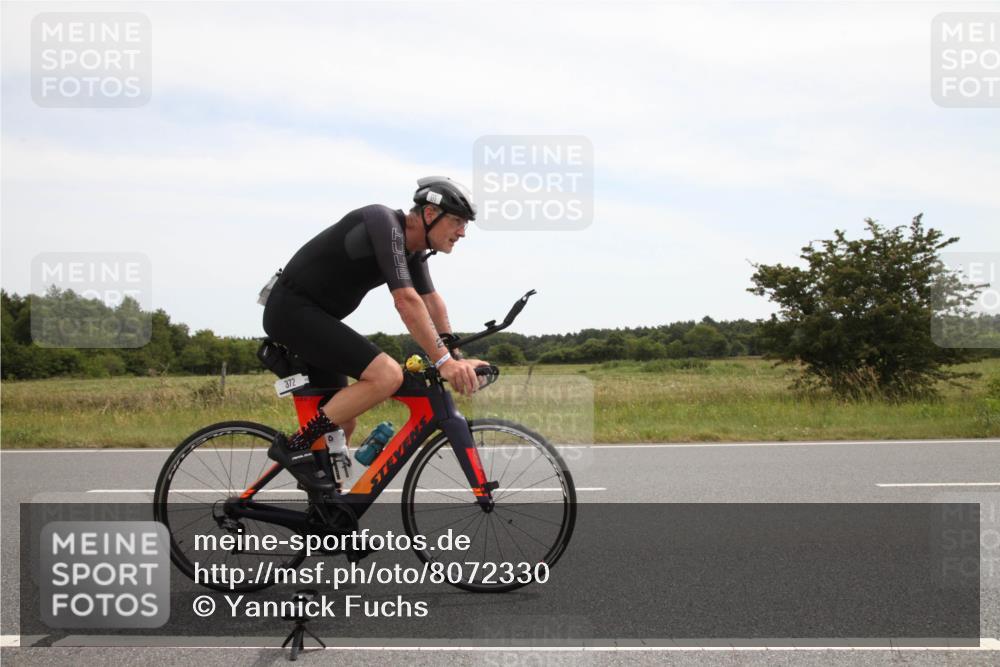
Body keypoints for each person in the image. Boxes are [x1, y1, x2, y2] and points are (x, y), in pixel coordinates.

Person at [261, 176, 489, 492]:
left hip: (317, 319)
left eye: (465, 224)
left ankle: (329, 516)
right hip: (291, 311)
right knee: (386, 375)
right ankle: (294, 446)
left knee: (343, 423)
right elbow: (406, 301)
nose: (462, 232)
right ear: (429, 214)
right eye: (456, 221)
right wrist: (444, 363)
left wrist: (456, 358)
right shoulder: (382, 222)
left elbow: (431, 301)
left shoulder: (412, 251)